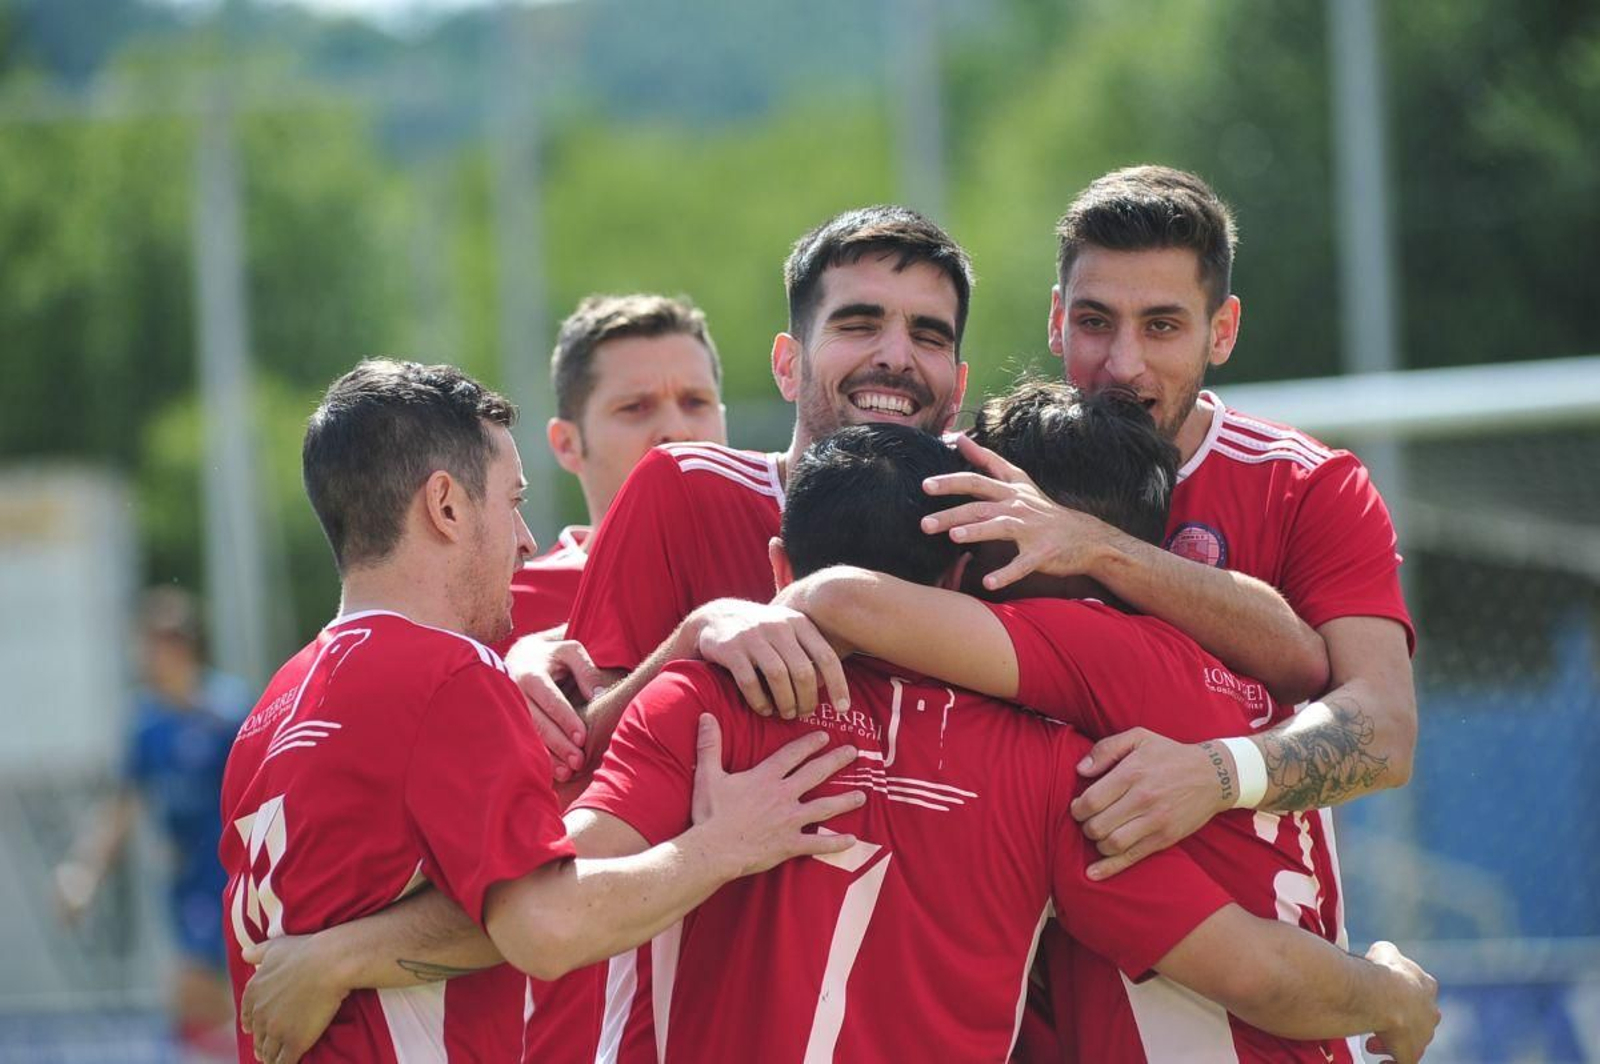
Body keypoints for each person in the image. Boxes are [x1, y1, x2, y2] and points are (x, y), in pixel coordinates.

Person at [240, 424, 1438, 1063]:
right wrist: (1386, 993)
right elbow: (1261, 972)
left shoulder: (698, 707)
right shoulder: (1053, 765)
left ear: (774, 570)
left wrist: (336, 953)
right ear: (981, 572)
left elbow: (543, 911)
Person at [218, 359, 860, 1062]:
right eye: (513, 501)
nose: (526, 539)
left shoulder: (270, 707)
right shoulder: (450, 676)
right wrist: (723, 845)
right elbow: (545, 927)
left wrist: (337, 958)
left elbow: (441, 914)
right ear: (447, 506)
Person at [772, 382, 1383, 1061]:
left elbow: (845, 602)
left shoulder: (1093, 647)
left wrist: (735, 620)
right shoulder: (1198, 658)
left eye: (986, 504)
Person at [915, 165, 1418, 881]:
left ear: (1223, 330)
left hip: (1249, 953)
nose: (1124, 364)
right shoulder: (982, 468)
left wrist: (1216, 774)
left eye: (1162, 326)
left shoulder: (1305, 485)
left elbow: (1384, 735)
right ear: (1057, 320)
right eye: (1095, 322)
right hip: (1024, 930)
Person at [54, 587, 248, 1059]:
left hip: (228, 877)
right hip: (183, 884)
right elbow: (122, 807)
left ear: (183, 646)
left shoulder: (226, 711)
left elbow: (258, 794)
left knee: (194, 992)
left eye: (158, 643)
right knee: (197, 1005)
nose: (148, 656)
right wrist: (85, 872)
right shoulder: (145, 723)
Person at [505, 292, 727, 641]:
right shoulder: (506, 612)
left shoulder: (789, 574)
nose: (677, 430)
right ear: (567, 444)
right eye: (636, 407)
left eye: (696, 402)